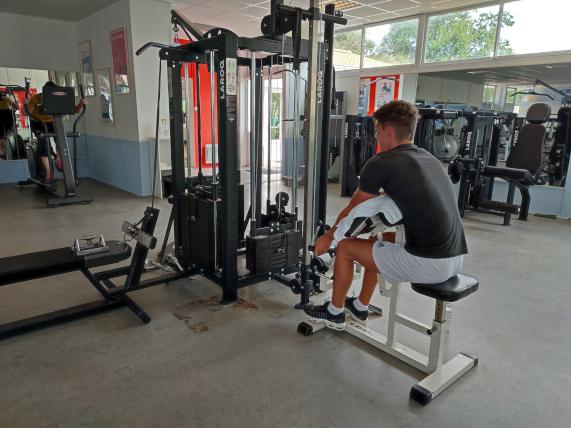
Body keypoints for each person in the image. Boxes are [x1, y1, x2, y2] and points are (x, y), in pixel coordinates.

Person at [304, 100, 468, 330]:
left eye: (376, 130)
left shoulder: (382, 163)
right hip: (455, 258)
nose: (376, 136)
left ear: (388, 131)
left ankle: (334, 313)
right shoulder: (429, 159)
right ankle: (360, 306)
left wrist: (329, 237)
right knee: (378, 240)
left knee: (345, 249)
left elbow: (353, 208)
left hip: (428, 264)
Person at [23, 81, 86, 183]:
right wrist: (26, 104)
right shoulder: (36, 98)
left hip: (52, 121)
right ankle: (48, 173)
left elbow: (73, 110)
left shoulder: (59, 97)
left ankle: (59, 157)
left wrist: (80, 104)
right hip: (38, 122)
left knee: (61, 141)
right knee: (45, 144)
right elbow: (25, 113)